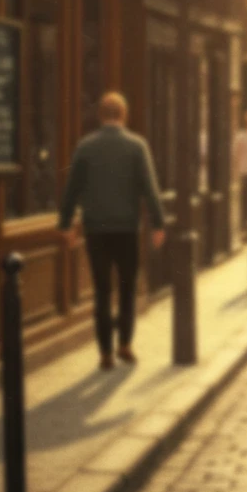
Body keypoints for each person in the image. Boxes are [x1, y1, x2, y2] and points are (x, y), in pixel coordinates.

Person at [58, 92, 165, 370]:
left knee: (102, 291)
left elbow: (71, 188)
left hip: (96, 230)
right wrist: (158, 223)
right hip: (127, 229)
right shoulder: (136, 146)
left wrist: (66, 223)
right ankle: (125, 345)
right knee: (128, 289)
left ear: (100, 115)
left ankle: (105, 352)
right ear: (124, 115)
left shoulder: (85, 147)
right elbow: (149, 188)